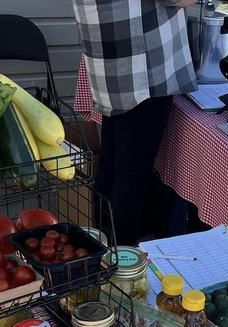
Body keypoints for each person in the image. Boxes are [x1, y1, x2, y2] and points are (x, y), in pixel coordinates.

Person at [72, 0, 198, 246]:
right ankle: (122, 266)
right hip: (142, 61)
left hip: (110, 48)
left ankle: (103, 251)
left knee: (113, 162)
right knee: (132, 173)